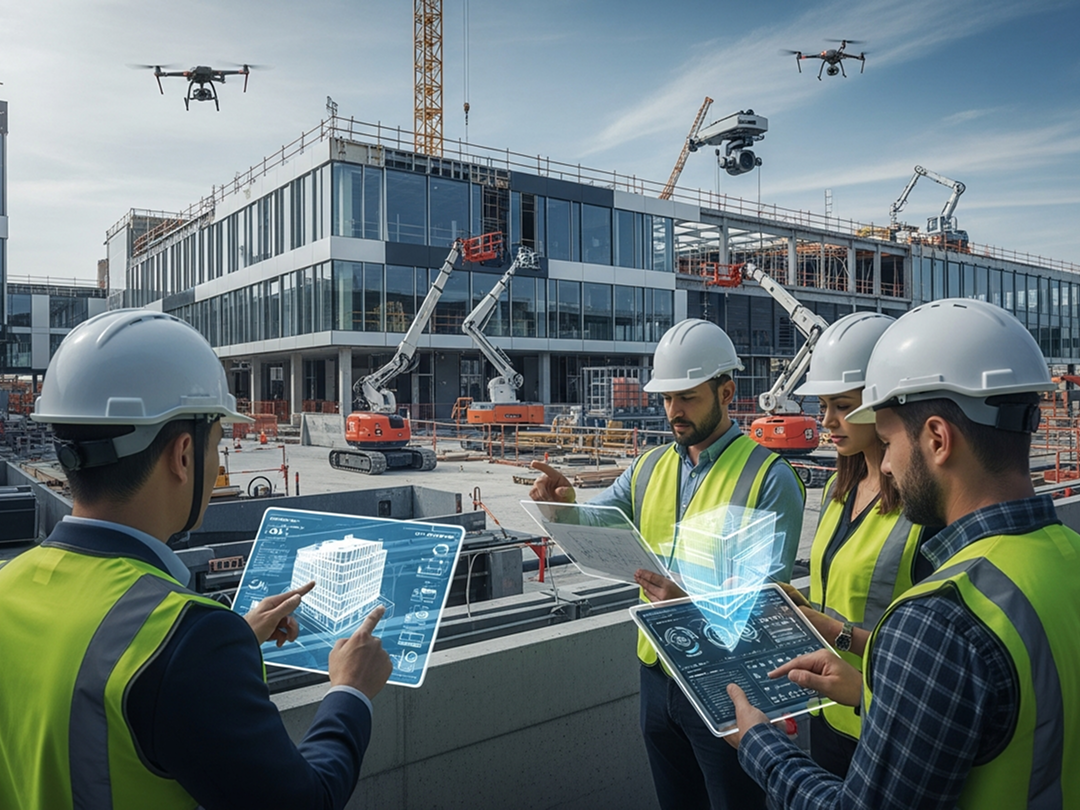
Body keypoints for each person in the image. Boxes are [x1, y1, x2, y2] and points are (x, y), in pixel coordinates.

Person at [0, 309, 392, 810]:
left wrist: (231, 641)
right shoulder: (185, 640)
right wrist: (350, 691)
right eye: (218, 445)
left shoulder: (12, 586)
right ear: (183, 455)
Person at [725, 298, 1080, 808]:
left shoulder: (940, 621)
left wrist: (760, 747)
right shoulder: (1068, 554)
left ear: (937, 438)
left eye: (888, 439)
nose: (885, 465)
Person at [531, 318, 805, 810]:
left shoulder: (770, 477)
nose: (673, 412)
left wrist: (691, 603)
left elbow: (769, 605)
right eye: (666, 398)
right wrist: (566, 505)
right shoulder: (650, 465)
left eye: (688, 397)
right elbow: (601, 523)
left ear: (727, 392)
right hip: (657, 675)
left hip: (728, 681)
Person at [787, 312, 935, 777]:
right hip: (828, 712)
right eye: (824, 405)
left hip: (885, 722)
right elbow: (844, 593)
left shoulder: (923, 513)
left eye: (842, 405)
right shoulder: (842, 490)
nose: (827, 420)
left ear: (882, 403)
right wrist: (802, 606)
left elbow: (929, 656)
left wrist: (832, 630)